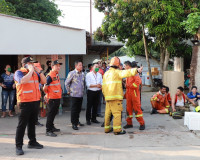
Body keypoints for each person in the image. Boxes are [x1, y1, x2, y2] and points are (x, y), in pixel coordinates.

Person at [102, 57, 143, 135]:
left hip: (108, 97)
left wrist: (105, 96)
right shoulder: (117, 72)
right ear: (117, 65)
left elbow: (103, 86)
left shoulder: (106, 74)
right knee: (117, 113)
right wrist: (137, 70)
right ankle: (117, 130)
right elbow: (126, 73)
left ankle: (107, 128)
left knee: (107, 113)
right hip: (116, 97)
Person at [14, 56, 46, 155]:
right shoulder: (18, 72)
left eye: (33, 63)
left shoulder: (35, 74)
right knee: (22, 125)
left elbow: (44, 81)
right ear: (25, 64)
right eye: (30, 63)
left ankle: (32, 142)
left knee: (32, 123)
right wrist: (31, 71)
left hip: (35, 101)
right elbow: (23, 81)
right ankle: (18, 146)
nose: (33, 65)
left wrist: (39, 72)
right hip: (24, 102)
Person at [123, 61, 145, 130]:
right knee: (128, 109)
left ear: (128, 66)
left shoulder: (134, 73)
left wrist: (129, 86)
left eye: (124, 66)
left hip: (134, 94)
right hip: (129, 94)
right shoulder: (128, 73)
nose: (124, 67)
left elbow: (137, 82)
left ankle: (142, 124)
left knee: (137, 109)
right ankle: (129, 123)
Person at [43, 60, 62, 137]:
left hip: (56, 97)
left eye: (59, 66)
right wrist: (47, 94)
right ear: (52, 67)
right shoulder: (50, 76)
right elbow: (45, 88)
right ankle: (48, 130)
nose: (59, 67)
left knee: (54, 113)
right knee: (51, 114)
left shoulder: (56, 74)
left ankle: (52, 127)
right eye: (57, 66)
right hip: (51, 98)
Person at [65, 60, 85, 130]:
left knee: (79, 109)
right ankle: (73, 123)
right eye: (80, 65)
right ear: (76, 66)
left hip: (80, 94)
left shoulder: (82, 74)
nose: (81, 66)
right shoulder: (72, 73)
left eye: (82, 65)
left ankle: (77, 121)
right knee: (74, 110)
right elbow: (66, 83)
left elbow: (83, 83)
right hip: (74, 95)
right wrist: (68, 91)